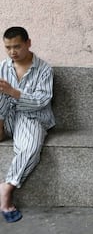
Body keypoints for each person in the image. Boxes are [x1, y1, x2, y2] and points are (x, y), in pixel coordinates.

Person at [0, 26, 55, 223]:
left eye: (17, 46)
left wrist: (14, 92)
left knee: (30, 148)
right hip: (5, 117)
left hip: (31, 117)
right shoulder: (3, 67)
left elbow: (42, 101)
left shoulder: (44, 69)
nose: (12, 52)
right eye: (8, 47)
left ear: (28, 43)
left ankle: (6, 189)